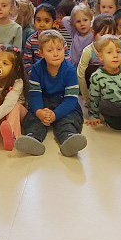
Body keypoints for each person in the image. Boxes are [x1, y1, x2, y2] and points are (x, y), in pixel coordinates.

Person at [15, 29, 88, 157]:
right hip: (44, 101)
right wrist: (39, 111)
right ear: (41, 53)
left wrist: (55, 114)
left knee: (70, 118)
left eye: (59, 49)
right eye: (50, 50)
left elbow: (71, 100)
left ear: (64, 50)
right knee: (33, 117)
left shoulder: (70, 70)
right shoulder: (37, 69)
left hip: (64, 102)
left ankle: (68, 138)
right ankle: (33, 138)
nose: (56, 54)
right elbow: (34, 94)